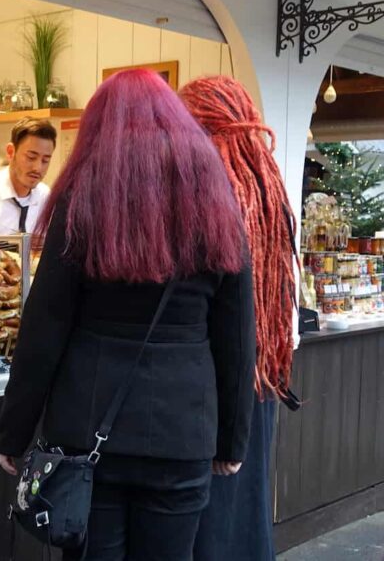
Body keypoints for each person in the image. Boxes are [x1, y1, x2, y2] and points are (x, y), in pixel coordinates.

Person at [0, 69, 257, 561]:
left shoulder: (82, 199)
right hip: (183, 430)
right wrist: (232, 440)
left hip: (91, 432)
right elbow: (238, 336)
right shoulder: (216, 201)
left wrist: (14, 431)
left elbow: (45, 327)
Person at [181, 76, 298, 561]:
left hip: (212, 381)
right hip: (260, 376)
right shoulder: (265, 183)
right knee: (244, 518)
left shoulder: (208, 192)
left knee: (205, 522)